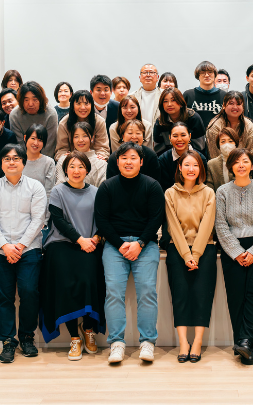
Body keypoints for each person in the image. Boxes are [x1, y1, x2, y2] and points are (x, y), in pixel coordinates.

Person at [95, 143, 166, 364]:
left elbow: (156, 218)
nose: (128, 162)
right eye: (124, 157)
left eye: (133, 158)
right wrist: (120, 244)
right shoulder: (107, 187)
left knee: (147, 292)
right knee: (113, 293)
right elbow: (102, 220)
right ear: (117, 162)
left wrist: (140, 243)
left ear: (141, 162)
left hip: (146, 245)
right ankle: (116, 343)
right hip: (114, 246)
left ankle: (148, 342)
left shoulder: (152, 186)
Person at [0, 144, 49, 363]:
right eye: (7, 159)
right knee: (4, 297)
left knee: (29, 292)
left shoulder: (35, 187)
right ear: (1, 164)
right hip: (0, 250)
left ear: (23, 162)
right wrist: (5, 246)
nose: (11, 162)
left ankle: (27, 338)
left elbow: (38, 219)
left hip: (29, 249)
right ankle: (8, 341)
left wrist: (19, 246)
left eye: (16, 158)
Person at [39, 151, 106, 360]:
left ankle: (88, 329)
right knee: (66, 283)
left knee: (89, 279)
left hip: (90, 244)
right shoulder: (58, 191)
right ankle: (74, 337)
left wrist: (95, 238)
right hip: (62, 244)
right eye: (72, 166)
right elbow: (58, 220)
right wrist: (80, 240)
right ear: (65, 170)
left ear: (87, 169)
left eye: (81, 166)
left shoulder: (96, 192)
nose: (76, 171)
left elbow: (103, 219)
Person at [214, 148, 253, 365]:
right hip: (232, 249)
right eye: (236, 161)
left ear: (252, 165)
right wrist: (237, 252)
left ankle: (248, 343)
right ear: (231, 166)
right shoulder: (222, 191)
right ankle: (241, 342)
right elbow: (221, 225)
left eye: (245, 161)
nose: (241, 165)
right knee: (236, 295)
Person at [163, 149, 218, 363]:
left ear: (201, 169)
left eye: (195, 165)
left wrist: (195, 253)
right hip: (177, 250)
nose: (191, 169)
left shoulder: (209, 193)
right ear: (179, 168)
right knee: (180, 296)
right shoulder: (170, 193)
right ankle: (183, 342)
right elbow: (173, 226)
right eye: (186, 164)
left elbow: (207, 224)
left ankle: (197, 342)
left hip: (205, 249)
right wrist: (186, 255)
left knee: (202, 296)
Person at [104, 122, 163, 189]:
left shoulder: (151, 155)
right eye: (130, 133)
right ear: (123, 136)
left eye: (138, 133)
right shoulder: (114, 157)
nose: (134, 137)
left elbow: (156, 183)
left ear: (143, 137)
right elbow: (110, 184)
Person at [56, 90, 111, 161]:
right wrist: (66, 158)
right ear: (72, 106)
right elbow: (61, 150)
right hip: (72, 161)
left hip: (93, 159)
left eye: (86, 104)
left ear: (92, 105)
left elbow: (102, 148)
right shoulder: (64, 123)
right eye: (78, 104)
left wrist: (100, 157)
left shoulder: (99, 121)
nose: (82, 107)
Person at [8, 82, 59, 156]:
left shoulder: (50, 114)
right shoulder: (15, 115)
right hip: (23, 158)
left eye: (35, 99)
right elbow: (20, 144)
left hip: (46, 158)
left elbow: (49, 144)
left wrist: (41, 161)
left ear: (41, 100)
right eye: (26, 100)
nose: (30, 104)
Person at [206, 91, 253, 157]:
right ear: (224, 106)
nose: (235, 107)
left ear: (243, 107)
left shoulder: (249, 126)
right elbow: (214, 155)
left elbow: (250, 155)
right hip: (220, 162)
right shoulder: (215, 126)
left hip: (243, 162)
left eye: (238, 104)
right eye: (231, 103)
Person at [56, 122, 108, 187]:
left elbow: (102, 189)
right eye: (76, 136)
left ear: (92, 138)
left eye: (85, 136)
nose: (80, 140)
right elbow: (59, 186)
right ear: (72, 139)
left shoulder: (101, 163)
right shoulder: (63, 160)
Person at [153, 88, 204, 152]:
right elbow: (158, 150)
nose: (169, 104)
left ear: (181, 102)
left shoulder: (193, 118)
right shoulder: (160, 122)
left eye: (173, 100)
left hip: (192, 156)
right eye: (165, 101)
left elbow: (200, 147)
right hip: (169, 157)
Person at [184, 61, 226, 130]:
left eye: (210, 72)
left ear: (215, 75)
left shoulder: (224, 95)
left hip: (218, 134)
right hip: (194, 135)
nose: (206, 75)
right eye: (203, 72)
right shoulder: (188, 95)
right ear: (198, 76)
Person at [21, 124, 58, 197]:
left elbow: (49, 192)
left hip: (40, 202)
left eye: (40, 140)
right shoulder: (17, 160)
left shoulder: (49, 162)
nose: (36, 143)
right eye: (33, 138)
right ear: (25, 138)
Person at [132, 63, 163, 129]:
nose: (148, 75)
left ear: (157, 77)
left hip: (159, 132)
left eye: (151, 72)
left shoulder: (164, 95)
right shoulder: (132, 96)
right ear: (140, 77)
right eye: (144, 73)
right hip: (138, 131)